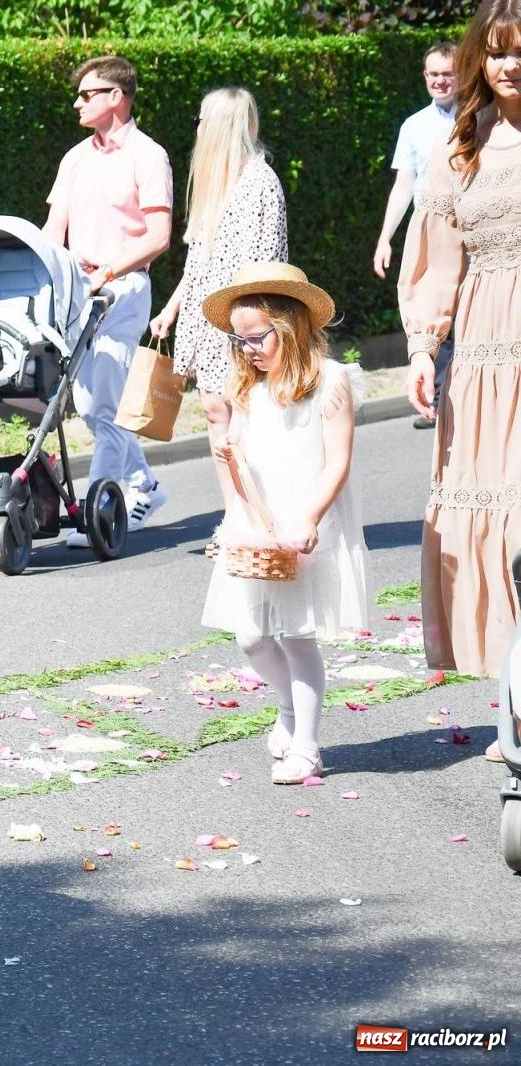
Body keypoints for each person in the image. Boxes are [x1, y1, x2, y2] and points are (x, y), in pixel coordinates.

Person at [399, 0, 521, 761]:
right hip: (483, 359)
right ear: (482, 57)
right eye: (502, 52)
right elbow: (439, 261)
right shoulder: (460, 151)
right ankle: (515, 703)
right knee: (499, 532)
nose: (513, 65)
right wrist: (420, 348)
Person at [199, 263, 370, 785]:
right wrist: (233, 509)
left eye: (256, 338)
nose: (247, 349)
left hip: (301, 521)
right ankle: (289, 709)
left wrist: (309, 517)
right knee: (251, 637)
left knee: (297, 636)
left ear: (289, 327)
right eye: (238, 340)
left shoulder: (331, 382)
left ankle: (309, 746)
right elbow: (237, 462)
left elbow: (337, 461)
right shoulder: (248, 390)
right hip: (259, 522)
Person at [43, 55, 173, 548]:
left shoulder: (148, 155)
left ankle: (99, 508)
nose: (77, 102)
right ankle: (143, 485)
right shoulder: (74, 158)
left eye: (87, 94)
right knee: (90, 403)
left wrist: (109, 271)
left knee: (105, 400)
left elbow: (158, 235)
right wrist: (47, 269)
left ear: (116, 97)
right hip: (79, 291)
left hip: (124, 289)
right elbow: (54, 231)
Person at [148, 87, 287, 535]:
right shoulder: (218, 183)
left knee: (243, 412)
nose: (198, 128)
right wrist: (171, 307)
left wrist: (247, 321)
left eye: (203, 120)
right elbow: (199, 258)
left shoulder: (260, 182)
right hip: (208, 316)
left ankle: (257, 516)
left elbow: (264, 259)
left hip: (241, 317)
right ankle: (234, 517)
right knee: (214, 410)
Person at [374, 41, 459, 430]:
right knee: (430, 314)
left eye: (447, 73)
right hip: (431, 230)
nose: (440, 81)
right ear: (425, 78)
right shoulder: (414, 126)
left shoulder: (483, 117)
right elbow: (403, 185)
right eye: (433, 74)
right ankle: (437, 400)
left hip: (473, 225)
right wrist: (385, 237)